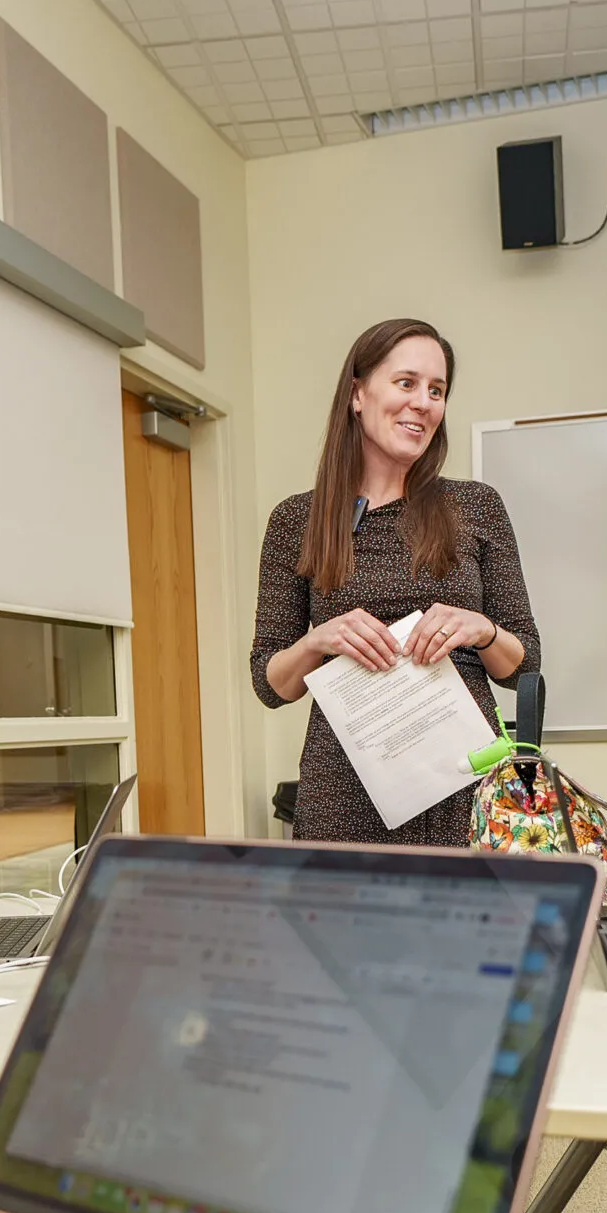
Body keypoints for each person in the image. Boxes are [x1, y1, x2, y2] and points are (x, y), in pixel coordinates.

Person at [251, 317, 542, 845]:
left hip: (464, 788)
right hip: (342, 794)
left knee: (466, 926)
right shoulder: (297, 520)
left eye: (437, 390)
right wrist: (318, 640)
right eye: (406, 383)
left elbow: (525, 664)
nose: (424, 403)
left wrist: (483, 630)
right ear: (358, 394)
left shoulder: (476, 506)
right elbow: (270, 685)